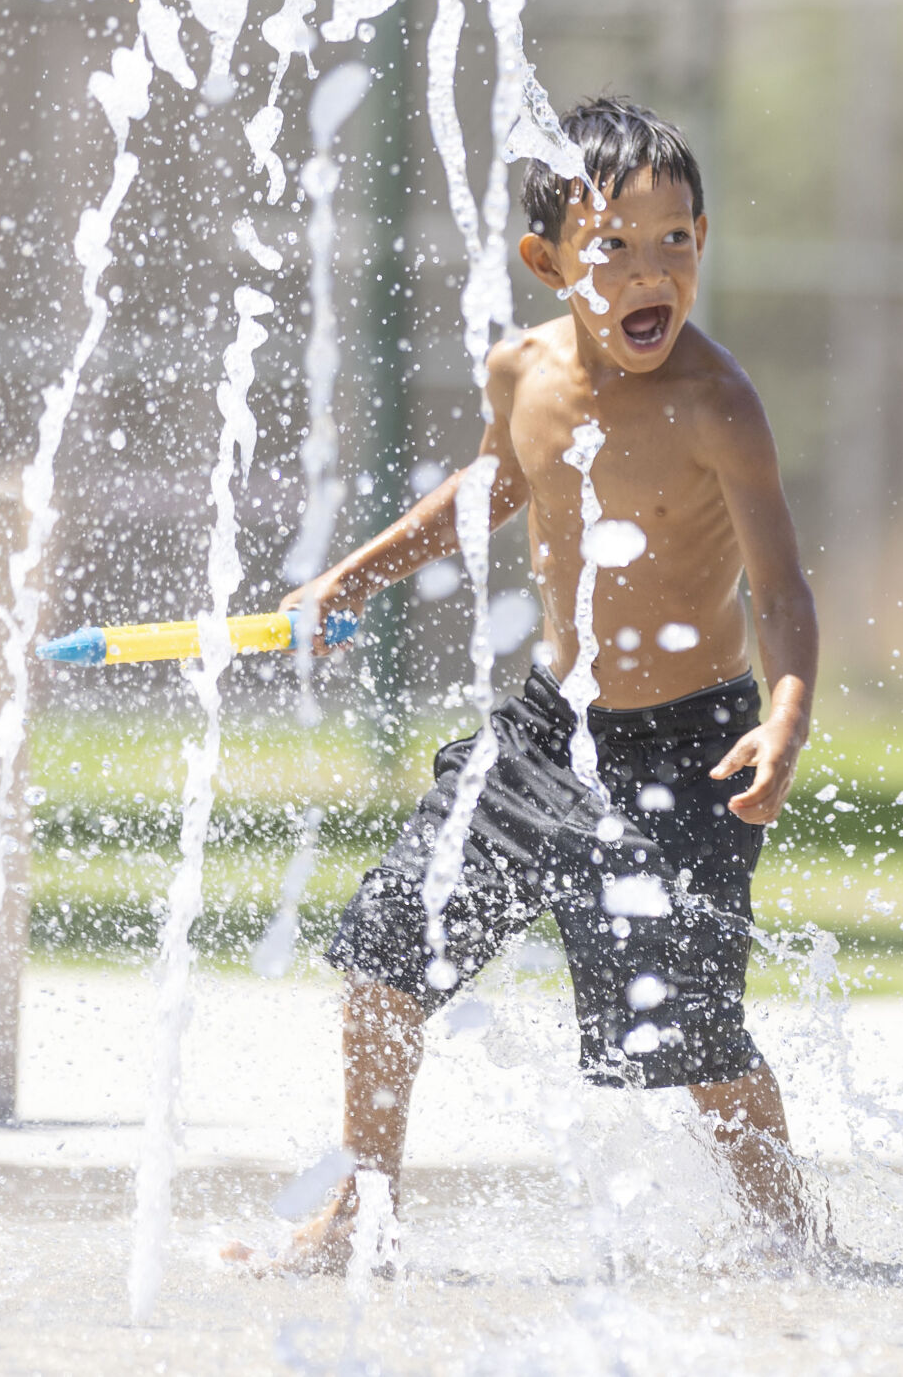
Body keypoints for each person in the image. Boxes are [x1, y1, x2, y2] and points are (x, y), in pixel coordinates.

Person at [227, 98, 819, 1272]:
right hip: (549, 729)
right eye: (613, 245)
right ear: (548, 262)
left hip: (689, 745)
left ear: (702, 240)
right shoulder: (521, 369)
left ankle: (787, 1240)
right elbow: (487, 492)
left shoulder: (718, 404)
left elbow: (781, 588)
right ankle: (360, 1216)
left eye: (675, 243)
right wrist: (350, 578)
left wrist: (785, 711)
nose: (649, 271)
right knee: (387, 947)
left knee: (686, 1034)